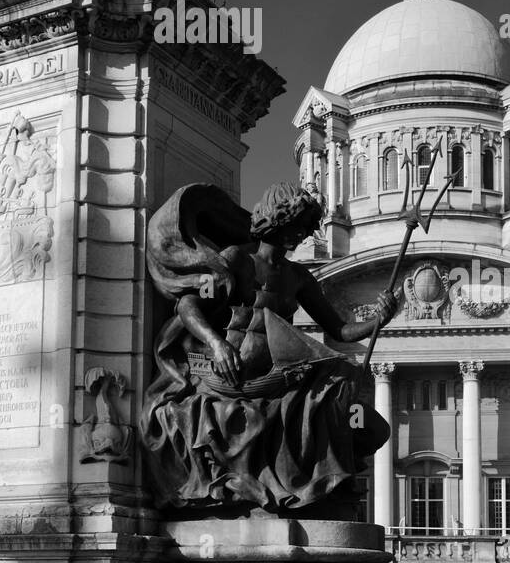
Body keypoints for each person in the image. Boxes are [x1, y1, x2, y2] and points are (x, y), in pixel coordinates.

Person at [141, 183, 399, 511]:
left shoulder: (299, 278)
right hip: (224, 374)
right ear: (275, 222)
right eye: (297, 226)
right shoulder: (235, 260)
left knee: (343, 382)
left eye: (306, 228)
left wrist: (378, 320)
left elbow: (340, 330)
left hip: (273, 377)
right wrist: (216, 343)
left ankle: (321, 487)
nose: (302, 235)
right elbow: (189, 307)